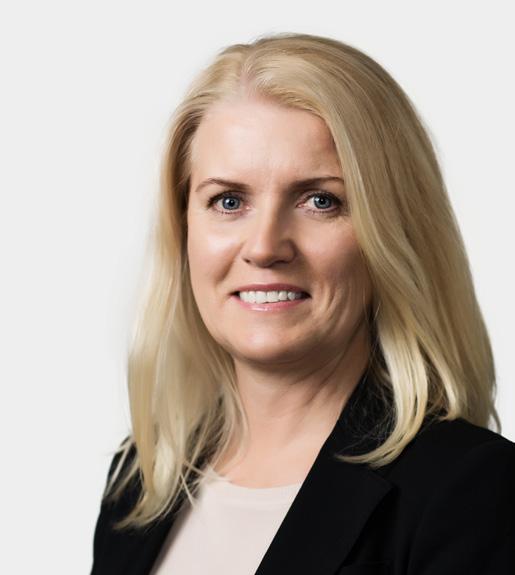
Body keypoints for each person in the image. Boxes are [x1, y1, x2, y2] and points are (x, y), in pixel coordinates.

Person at [90, 32, 515, 575]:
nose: (265, 246)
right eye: (228, 200)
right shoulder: (139, 482)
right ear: (184, 228)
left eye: (320, 200)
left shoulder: (472, 491)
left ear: (392, 232)